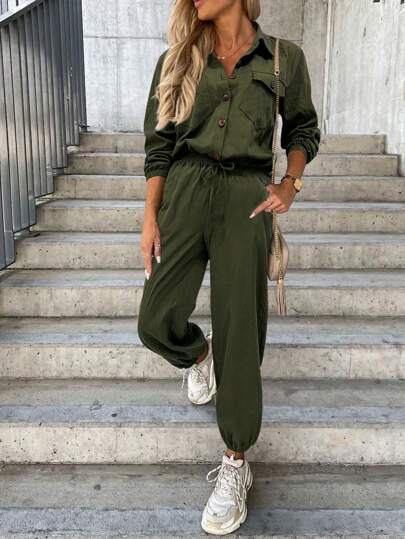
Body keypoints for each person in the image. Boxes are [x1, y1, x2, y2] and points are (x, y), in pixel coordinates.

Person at [137, 0, 320, 534]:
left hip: (247, 195)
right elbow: (159, 146)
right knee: (155, 320)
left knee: (241, 329)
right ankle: (199, 353)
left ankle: (236, 460)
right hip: (186, 189)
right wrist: (150, 217)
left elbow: (303, 129)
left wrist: (290, 184)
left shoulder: (283, 58)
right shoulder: (178, 59)